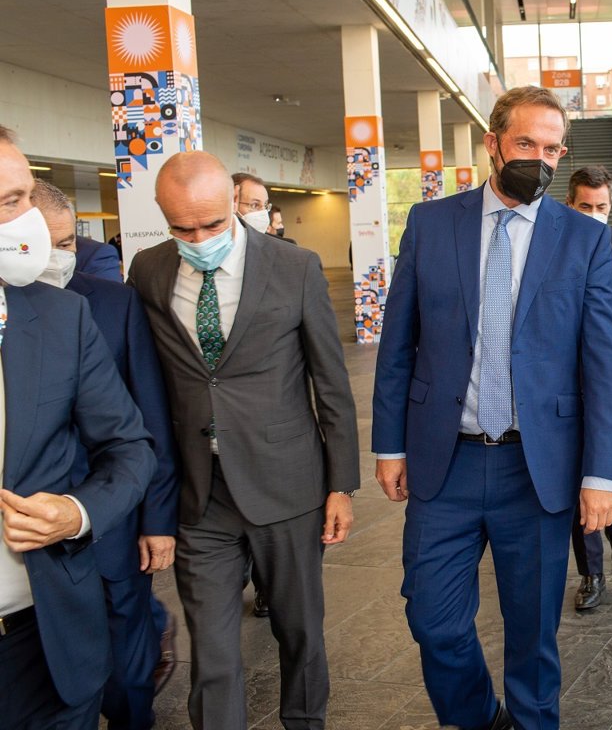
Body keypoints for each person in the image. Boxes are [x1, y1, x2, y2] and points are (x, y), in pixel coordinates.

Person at [372, 86, 612, 730]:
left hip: (537, 468)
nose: (540, 160)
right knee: (433, 620)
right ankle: (481, 719)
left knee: (533, 633)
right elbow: (398, 344)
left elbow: (604, 364)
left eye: (552, 149)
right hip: (444, 462)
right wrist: (389, 444)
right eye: (526, 143)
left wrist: (602, 473)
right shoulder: (431, 223)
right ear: (493, 143)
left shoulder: (585, 240)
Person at [128, 151, 360, 729]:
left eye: (211, 223)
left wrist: (341, 486)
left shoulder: (294, 266)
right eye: (182, 229)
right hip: (199, 492)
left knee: (299, 631)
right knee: (212, 651)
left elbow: (331, 383)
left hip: (287, 484)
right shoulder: (148, 270)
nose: (199, 239)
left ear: (233, 203)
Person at [0, 124, 156, 728]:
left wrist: (76, 512)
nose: (28, 221)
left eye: (24, 196)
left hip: (43, 640)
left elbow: (129, 446)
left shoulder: (62, 318)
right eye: (10, 202)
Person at [30, 179, 180, 728]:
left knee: (128, 676)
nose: (58, 257)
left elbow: (149, 420)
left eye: (68, 243)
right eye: (45, 245)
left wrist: (157, 521)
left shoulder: (114, 304)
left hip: (112, 525)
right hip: (27, 537)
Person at [564, 164, 612, 612]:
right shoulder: (552, 247)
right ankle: (591, 572)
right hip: (566, 385)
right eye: (585, 206)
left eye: (601, 207)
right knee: (579, 478)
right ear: (570, 204)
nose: (593, 214)